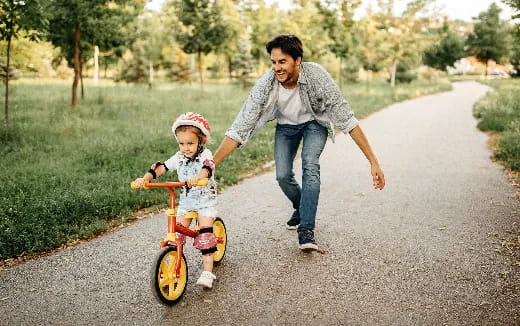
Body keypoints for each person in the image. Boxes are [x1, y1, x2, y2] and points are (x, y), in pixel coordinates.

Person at [213, 34, 385, 251]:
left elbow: (347, 119)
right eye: (274, 62)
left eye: (282, 61)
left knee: (309, 163)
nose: (277, 67)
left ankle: (306, 229)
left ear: (298, 60)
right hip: (286, 127)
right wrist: (211, 165)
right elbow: (240, 127)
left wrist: (373, 162)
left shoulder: (317, 76)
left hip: (314, 123)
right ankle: (301, 206)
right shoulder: (266, 84)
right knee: (282, 175)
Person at [133, 112, 219, 288]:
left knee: (204, 235)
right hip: (187, 202)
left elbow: (208, 167)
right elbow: (162, 167)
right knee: (176, 235)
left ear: (201, 141)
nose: (186, 148)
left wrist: (198, 176)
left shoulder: (205, 154)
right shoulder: (179, 157)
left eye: (190, 143)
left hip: (205, 201)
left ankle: (208, 272)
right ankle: (172, 262)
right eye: (181, 143)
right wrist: (146, 178)